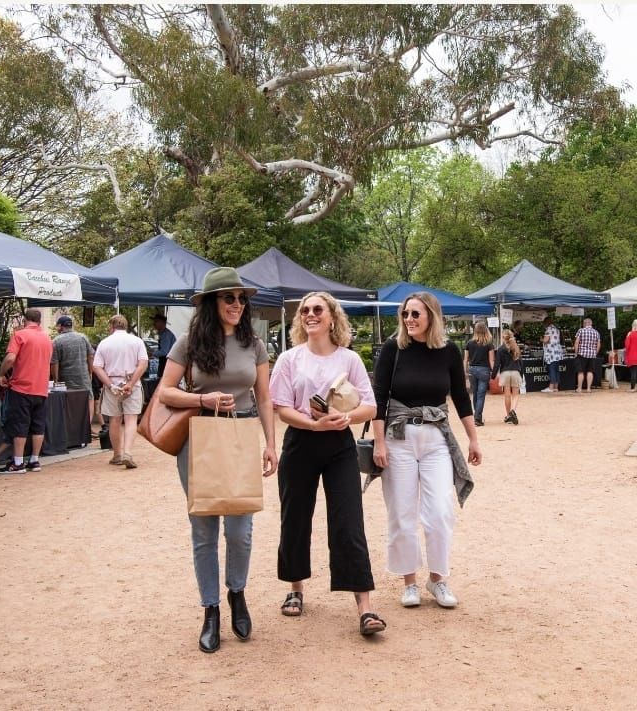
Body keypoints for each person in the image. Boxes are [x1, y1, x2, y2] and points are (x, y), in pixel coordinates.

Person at [158, 267, 277, 653]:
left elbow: (264, 397)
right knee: (204, 531)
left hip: (242, 435)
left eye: (242, 298)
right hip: (201, 439)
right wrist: (202, 400)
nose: (238, 304)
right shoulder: (188, 344)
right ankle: (210, 609)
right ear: (212, 303)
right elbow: (165, 393)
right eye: (229, 298)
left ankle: (236, 593)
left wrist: (271, 444)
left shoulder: (254, 343)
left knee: (240, 531)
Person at [268, 291, 385, 636]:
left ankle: (365, 606)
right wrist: (313, 423)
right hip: (301, 442)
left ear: (332, 317)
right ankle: (295, 588)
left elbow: (371, 406)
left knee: (349, 522)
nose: (310, 314)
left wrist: (342, 417)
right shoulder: (289, 359)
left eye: (317, 309)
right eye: (305, 310)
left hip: (339, 445)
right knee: (295, 518)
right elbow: (282, 407)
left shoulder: (349, 359)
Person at [369, 291, 481, 611]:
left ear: (431, 315)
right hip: (399, 438)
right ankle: (409, 582)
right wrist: (379, 443)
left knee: (441, 512)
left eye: (416, 314)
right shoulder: (394, 349)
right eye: (406, 314)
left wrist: (473, 439)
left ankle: (437, 578)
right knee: (402, 513)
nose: (409, 320)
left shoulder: (448, 351)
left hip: (436, 439)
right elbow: (378, 398)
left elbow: (461, 397)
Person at [0, 309, 53, 473]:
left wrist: (1, 373)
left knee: (20, 424)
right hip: (41, 387)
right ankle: (35, 460)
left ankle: (18, 462)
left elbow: (10, 358)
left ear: (24, 319)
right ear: (39, 321)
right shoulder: (47, 338)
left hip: (22, 387)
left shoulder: (19, 335)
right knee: (38, 425)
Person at [92, 315, 148, 469]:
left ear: (112, 326)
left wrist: (110, 385)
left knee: (114, 420)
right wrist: (131, 383)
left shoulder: (105, 343)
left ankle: (117, 454)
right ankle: (128, 453)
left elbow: (97, 366)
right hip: (132, 383)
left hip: (112, 384)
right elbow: (143, 363)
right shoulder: (137, 341)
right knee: (131, 419)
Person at [50, 315, 97, 433]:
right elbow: (91, 355)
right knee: (89, 399)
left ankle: (70, 430)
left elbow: (54, 363)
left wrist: (56, 380)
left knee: (68, 403)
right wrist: (90, 372)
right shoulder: (83, 337)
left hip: (66, 378)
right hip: (83, 376)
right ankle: (86, 427)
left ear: (61, 326)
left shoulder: (56, 341)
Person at [463, 321, 494, 426]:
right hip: (484, 370)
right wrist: (494, 373)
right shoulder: (489, 344)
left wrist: (465, 371)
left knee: (475, 394)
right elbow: (491, 361)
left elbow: (465, 359)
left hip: (472, 369)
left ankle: (477, 416)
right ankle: (477, 417)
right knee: (481, 395)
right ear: (486, 330)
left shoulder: (469, 343)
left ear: (475, 330)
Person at [491, 328, 523, 424]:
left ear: (503, 337)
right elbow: (521, 363)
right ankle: (513, 410)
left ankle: (509, 415)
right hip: (515, 372)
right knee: (516, 395)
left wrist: (493, 376)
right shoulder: (516, 348)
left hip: (505, 373)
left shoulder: (500, 349)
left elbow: (497, 364)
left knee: (507, 395)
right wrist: (522, 374)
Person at [571, 317, 600, 393]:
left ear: (584, 324)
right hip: (592, 354)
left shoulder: (580, 331)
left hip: (581, 354)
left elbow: (577, 342)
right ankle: (588, 389)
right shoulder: (596, 332)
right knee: (590, 371)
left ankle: (579, 388)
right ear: (591, 324)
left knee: (580, 372)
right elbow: (598, 344)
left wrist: (576, 352)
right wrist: (595, 353)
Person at [540, 316, 562, 392]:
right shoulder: (557, 329)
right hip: (557, 352)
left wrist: (541, 339)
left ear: (546, 323)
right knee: (556, 370)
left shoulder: (548, 329)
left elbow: (546, 340)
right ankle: (556, 387)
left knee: (551, 369)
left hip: (551, 352)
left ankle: (551, 387)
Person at [151, 313, 176, 379]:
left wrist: (152, 353)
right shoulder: (164, 334)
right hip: (166, 363)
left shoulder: (166, 335)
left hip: (167, 364)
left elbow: (164, 352)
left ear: (162, 323)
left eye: (156, 321)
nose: (154, 323)